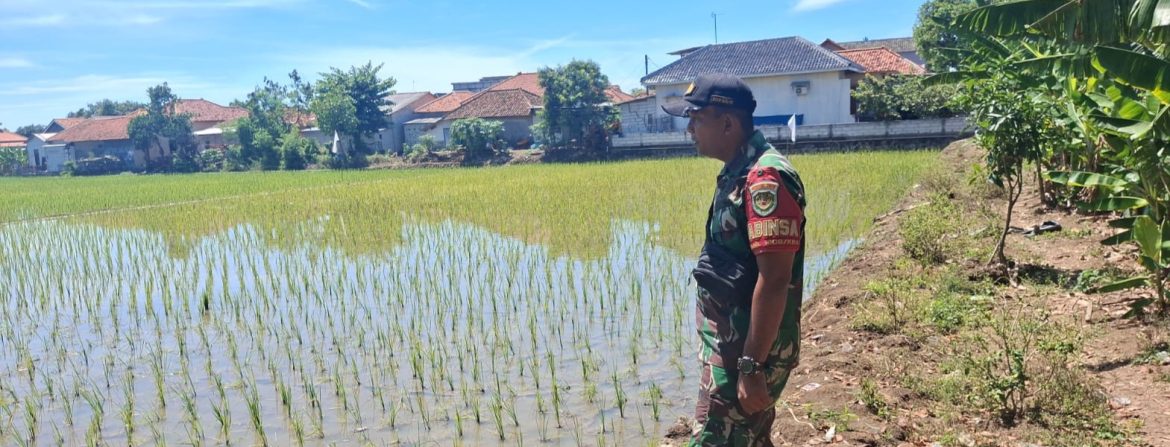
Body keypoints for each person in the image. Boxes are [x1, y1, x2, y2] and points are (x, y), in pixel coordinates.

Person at [663, 73, 806, 447]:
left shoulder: (764, 179)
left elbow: (775, 279)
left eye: (696, 119)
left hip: (744, 351)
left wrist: (751, 366)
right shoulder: (738, 170)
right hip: (730, 340)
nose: (689, 129)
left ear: (727, 123)